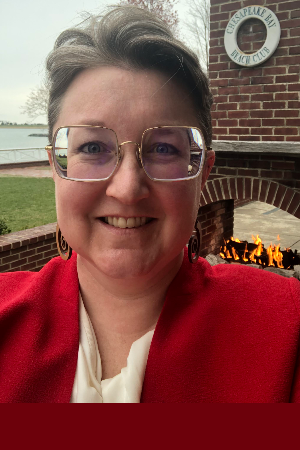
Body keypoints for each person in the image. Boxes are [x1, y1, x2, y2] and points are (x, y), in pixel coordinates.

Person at [0, 5, 300, 403]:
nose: (127, 189)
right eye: (92, 147)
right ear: (55, 166)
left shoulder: (284, 330)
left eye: (163, 148)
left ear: (203, 171)